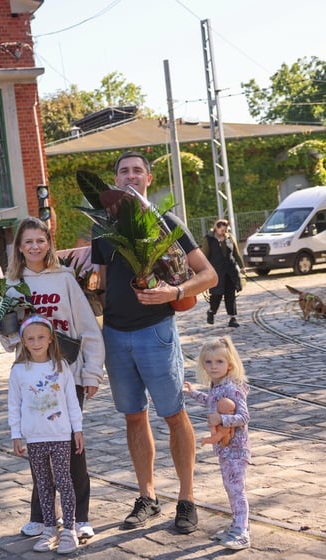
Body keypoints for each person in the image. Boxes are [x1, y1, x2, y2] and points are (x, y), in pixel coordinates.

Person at [91, 151, 217, 534]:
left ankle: (187, 498)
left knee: (173, 414)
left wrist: (174, 291)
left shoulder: (166, 222)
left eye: (136, 171)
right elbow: (97, 284)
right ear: (115, 180)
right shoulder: (103, 227)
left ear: (148, 178)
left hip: (156, 332)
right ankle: (147, 497)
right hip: (115, 334)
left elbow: (208, 274)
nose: (130, 176)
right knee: (133, 416)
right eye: (122, 171)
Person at [2, 217, 104, 542]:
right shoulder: (12, 285)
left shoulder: (64, 279)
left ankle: (81, 517)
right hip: (33, 380)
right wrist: (6, 324)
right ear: (19, 246)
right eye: (28, 241)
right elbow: (8, 340)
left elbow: (88, 328)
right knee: (39, 450)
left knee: (73, 448)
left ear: (49, 244)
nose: (34, 246)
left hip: (67, 375)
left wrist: (92, 372)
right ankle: (42, 515)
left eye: (40, 240)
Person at [8, 315, 84, 555]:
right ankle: (49, 528)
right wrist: (16, 434)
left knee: (64, 481)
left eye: (41, 337)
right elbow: (14, 404)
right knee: (43, 484)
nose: (36, 342)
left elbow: (72, 401)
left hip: (60, 435)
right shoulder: (19, 371)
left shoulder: (61, 367)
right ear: (24, 342)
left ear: (50, 339)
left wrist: (77, 429)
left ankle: (70, 529)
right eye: (31, 338)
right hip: (35, 437)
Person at [183, 336, 251, 550]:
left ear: (230, 363)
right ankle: (236, 524)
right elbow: (210, 400)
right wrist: (194, 394)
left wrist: (223, 419)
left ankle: (242, 531)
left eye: (219, 362)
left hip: (237, 449)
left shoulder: (233, 388)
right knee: (230, 488)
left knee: (236, 489)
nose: (213, 366)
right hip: (224, 449)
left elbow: (244, 417)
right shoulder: (217, 386)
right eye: (209, 362)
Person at [202, 219, 244, 328]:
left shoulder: (230, 237)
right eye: (222, 230)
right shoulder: (209, 239)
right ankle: (211, 312)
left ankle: (232, 318)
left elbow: (236, 253)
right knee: (216, 294)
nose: (224, 232)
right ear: (216, 228)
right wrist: (202, 271)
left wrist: (242, 267)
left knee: (231, 295)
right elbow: (204, 256)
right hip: (216, 272)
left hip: (230, 271)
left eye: (225, 230)